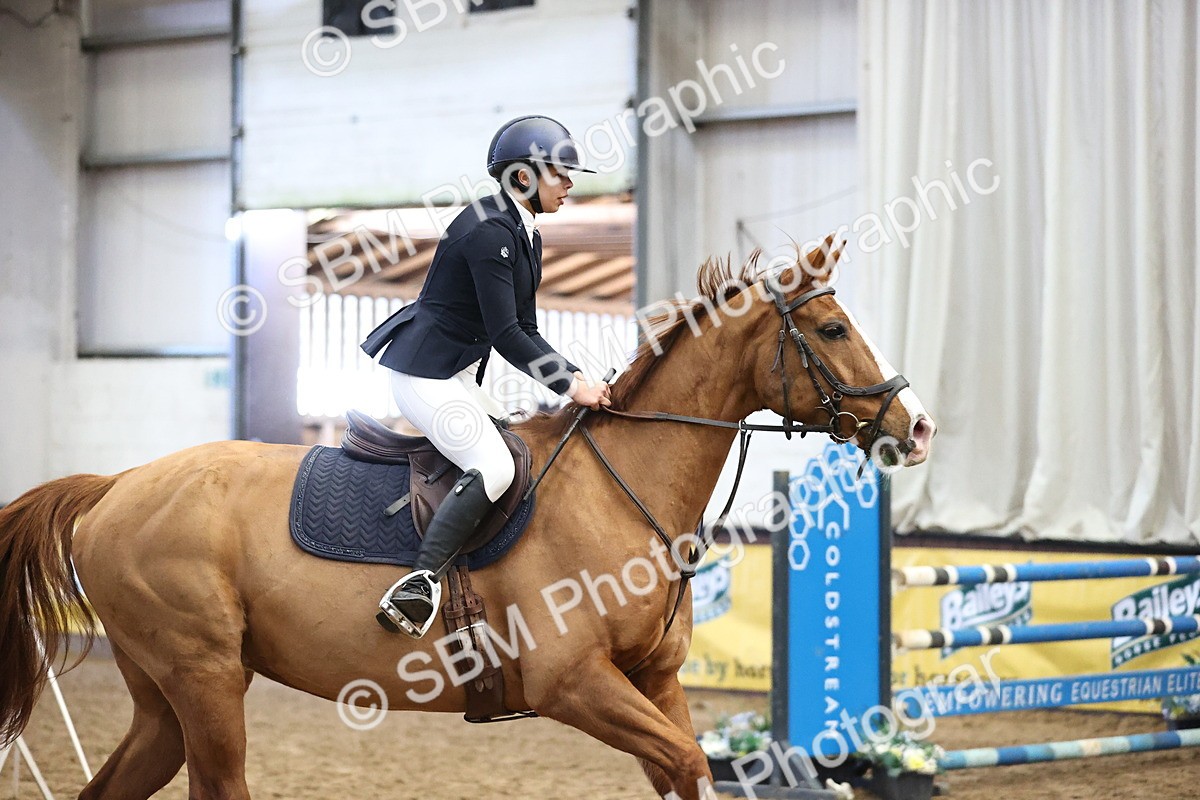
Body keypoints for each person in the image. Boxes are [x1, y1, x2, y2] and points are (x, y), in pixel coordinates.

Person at [361, 115, 612, 637]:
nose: (570, 184)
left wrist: (576, 375)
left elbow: (527, 326)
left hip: (457, 377)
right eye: (560, 174)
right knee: (494, 467)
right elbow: (506, 335)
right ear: (523, 177)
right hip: (425, 377)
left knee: (517, 452)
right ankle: (418, 584)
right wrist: (571, 384)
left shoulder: (525, 233)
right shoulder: (486, 229)